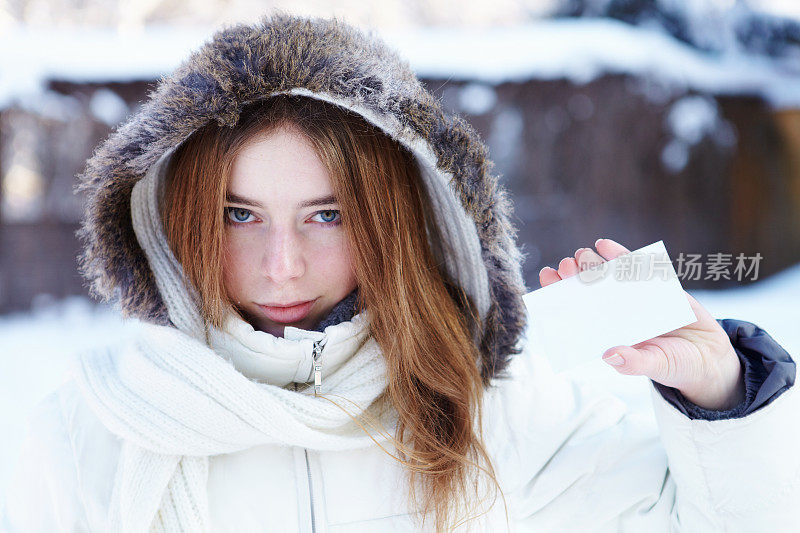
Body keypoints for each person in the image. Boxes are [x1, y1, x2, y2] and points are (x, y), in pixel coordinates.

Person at [1, 11, 797, 533]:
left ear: (397, 218)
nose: (282, 265)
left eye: (329, 214)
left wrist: (723, 396)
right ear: (173, 218)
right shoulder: (89, 433)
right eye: (238, 215)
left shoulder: (496, 417)